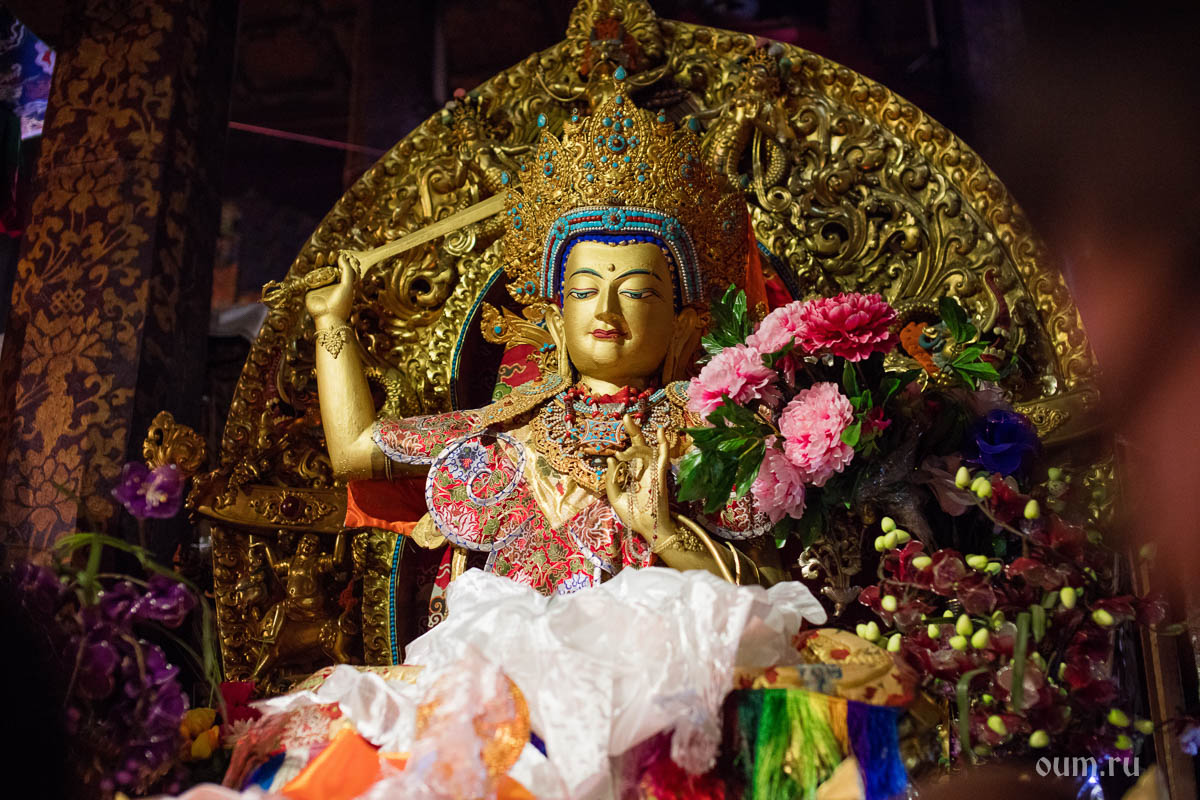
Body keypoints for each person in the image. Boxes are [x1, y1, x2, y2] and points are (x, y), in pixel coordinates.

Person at [303, 76, 783, 598]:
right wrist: (331, 323)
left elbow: (771, 598)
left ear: (684, 326)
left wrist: (659, 528)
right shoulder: (510, 438)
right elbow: (353, 452)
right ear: (556, 322)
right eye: (584, 291)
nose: (606, 310)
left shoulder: (714, 438)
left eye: (637, 292)